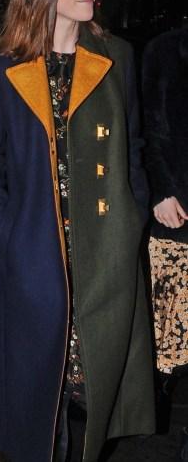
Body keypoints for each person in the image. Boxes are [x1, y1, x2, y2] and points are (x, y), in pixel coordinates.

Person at [0, 0, 155, 461]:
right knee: (39, 395)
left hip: (104, 255)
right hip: (36, 255)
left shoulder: (117, 57)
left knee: (91, 392)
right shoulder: (2, 72)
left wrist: (131, 216)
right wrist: (7, 233)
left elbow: (133, 147)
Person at [141, 27, 188, 457]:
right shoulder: (165, 49)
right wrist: (160, 190)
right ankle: (155, 404)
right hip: (177, 209)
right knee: (169, 328)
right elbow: (148, 127)